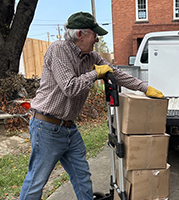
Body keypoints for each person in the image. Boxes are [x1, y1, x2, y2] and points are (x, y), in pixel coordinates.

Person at [19, 11, 164, 200]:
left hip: (69, 128)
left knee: (82, 176)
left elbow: (115, 73)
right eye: (94, 35)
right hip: (47, 127)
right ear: (80, 34)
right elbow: (70, 87)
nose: (96, 39)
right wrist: (95, 74)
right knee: (37, 180)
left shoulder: (91, 57)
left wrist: (145, 88)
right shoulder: (58, 50)